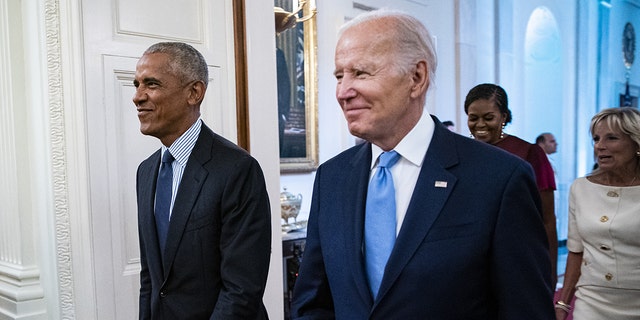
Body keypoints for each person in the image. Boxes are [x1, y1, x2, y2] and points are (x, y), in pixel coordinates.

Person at [291, 10, 554, 319]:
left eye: (361, 73)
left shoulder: (498, 179)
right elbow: (313, 302)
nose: (343, 92)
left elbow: (526, 310)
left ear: (416, 78)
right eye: (339, 75)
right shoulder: (332, 178)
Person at [133, 42, 272, 319]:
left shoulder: (238, 169)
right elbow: (150, 277)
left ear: (194, 92)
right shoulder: (146, 171)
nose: (137, 97)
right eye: (136, 84)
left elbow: (241, 289)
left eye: (152, 84)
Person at [464, 83, 559, 285]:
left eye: (488, 117)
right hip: (470, 261)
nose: (480, 124)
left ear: (504, 117)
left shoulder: (528, 153)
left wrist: (549, 273)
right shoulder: (462, 152)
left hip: (516, 258)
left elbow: (548, 219)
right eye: (473, 118)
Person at [555, 107, 640, 320]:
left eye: (611, 138)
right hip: (592, 301)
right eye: (596, 138)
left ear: (636, 143)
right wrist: (563, 303)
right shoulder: (581, 188)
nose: (600, 146)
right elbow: (575, 251)